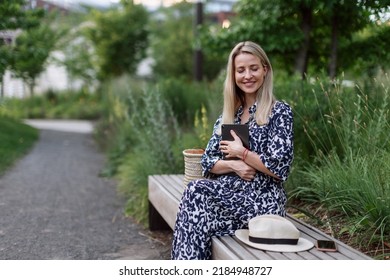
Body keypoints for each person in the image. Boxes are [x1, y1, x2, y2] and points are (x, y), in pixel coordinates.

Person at [171, 41, 294, 260]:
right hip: (227, 200)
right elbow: (207, 161)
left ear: (265, 70)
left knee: (196, 195)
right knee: (196, 202)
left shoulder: (279, 112)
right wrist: (233, 165)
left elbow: (279, 168)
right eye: (241, 70)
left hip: (260, 202)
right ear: (234, 74)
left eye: (253, 68)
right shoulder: (230, 115)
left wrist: (242, 153)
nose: (247, 75)